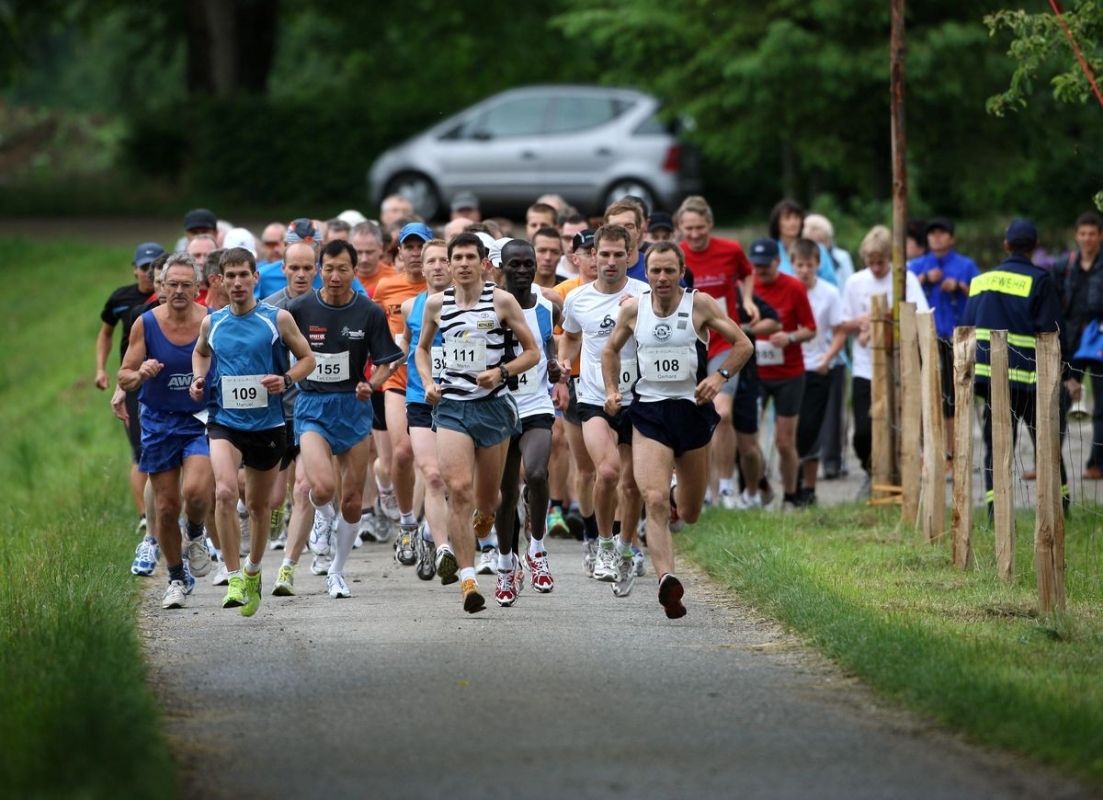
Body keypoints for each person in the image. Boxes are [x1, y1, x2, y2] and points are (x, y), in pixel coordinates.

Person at [603, 241, 753, 617]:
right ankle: (666, 580)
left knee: (689, 512)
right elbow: (609, 351)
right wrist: (611, 390)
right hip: (649, 413)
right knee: (652, 499)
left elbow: (743, 344)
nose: (663, 277)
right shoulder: (634, 310)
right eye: (655, 270)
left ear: (682, 271)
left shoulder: (699, 305)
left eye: (670, 270)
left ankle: (675, 491)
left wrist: (719, 377)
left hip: (692, 412)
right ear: (647, 273)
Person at [415, 232, 540, 613]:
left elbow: (532, 353)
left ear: (484, 262)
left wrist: (501, 371)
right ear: (449, 264)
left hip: (493, 407)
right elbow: (421, 350)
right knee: (458, 489)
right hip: (453, 407)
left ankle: (485, 519)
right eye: (458, 258)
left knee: (488, 500)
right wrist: (429, 384)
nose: (464, 263)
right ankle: (468, 580)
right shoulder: (436, 304)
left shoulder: (500, 301)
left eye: (472, 257)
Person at [189, 247, 316, 617]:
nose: (237, 282)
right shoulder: (213, 323)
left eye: (244, 275)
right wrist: (199, 378)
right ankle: (232, 576)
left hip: (268, 423)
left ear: (255, 277)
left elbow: (308, 360)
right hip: (224, 420)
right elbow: (200, 353)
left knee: (261, 507)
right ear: (221, 281)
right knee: (225, 492)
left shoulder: (278, 319)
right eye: (230, 276)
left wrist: (286, 378)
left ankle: (255, 570)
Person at [288, 239, 404, 599]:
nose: (335, 276)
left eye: (343, 269)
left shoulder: (369, 311)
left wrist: (373, 384)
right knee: (319, 488)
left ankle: (336, 571)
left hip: (353, 409)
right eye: (328, 268)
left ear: (355, 272)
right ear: (320, 269)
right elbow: (279, 354)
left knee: (352, 500)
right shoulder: (299, 308)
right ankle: (322, 521)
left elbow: (388, 361)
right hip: (312, 405)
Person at [118, 253, 213, 609]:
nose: (178, 290)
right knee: (168, 507)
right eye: (172, 284)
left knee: (198, 493)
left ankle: (198, 533)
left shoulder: (211, 321)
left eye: (186, 285)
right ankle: (176, 577)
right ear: (162, 286)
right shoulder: (146, 323)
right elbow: (124, 375)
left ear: (197, 288)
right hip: (158, 420)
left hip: (199, 419)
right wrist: (141, 373)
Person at [963, 219, 1071, 515]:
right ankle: (1060, 507)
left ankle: (993, 510)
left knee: (997, 447)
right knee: (1046, 445)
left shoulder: (981, 280)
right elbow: (1053, 330)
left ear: (1006, 245)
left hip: (989, 379)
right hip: (1030, 379)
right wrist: (1068, 373)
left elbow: (968, 325)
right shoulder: (1040, 280)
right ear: (1035, 247)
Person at [558, 224, 647, 583]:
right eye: (603, 254)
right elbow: (570, 338)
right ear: (593, 256)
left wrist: (641, 312)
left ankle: (627, 546)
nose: (610, 261)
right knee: (606, 471)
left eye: (617, 254)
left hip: (638, 399)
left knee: (632, 483)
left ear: (630, 256)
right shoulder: (578, 298)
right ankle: (603, 546)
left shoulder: (645, 295)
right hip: (594, 397)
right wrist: (564, 366)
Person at [493, 239, 564, 605]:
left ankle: (536, 550)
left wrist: (555, 366)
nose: (522, 270)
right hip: (498, 409)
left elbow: (549, 344)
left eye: (528, 264)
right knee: (503, 496)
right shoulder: (488, 307)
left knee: (536, 473)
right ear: (500, 268)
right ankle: (506, 565)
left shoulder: (547, 307)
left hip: (535, 404)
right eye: (515, 264)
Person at [676, 195, 758, 505]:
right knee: (692, 415)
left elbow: (747, 273)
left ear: (710, 224)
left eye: (700, 228)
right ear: (680, 228)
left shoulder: (731, 250)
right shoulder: (676, 254)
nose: (694, 235)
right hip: (687, 342)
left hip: (723, 340)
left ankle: (725, 486)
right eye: (688, 229)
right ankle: (701, 490)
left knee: (722, 412)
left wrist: (747, 300)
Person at [839, 226, 928, 498]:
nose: (876, 268)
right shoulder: (855, 282)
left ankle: (901, 477)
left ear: (890, 258)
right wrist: (863, 323)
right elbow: (844, 322)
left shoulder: (905, 279)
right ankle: (871, 472)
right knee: (863, 431)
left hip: (900, 366)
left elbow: (921, 314)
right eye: (870, 262)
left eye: (881, 262)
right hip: (866, 367)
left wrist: (884, 321)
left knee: (899, 424)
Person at [400, 238, 459, 583]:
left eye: (443, 260)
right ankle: (442, 549)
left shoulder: (471, 305)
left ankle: (426, 532)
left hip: (460, 401)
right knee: (433, 475)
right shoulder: (411, 308)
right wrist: (424, 380)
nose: (437, 266)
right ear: (421, 268)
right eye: (431, 261)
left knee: (454, 481)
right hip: (420, 398)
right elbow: (410, 350)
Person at [374, 222, 433, 564]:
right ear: (399, 252)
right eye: (408, 247)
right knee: (401, 452)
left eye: (420, 247)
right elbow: (375, 327)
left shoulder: (443, 286)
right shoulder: (386, 287)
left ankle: (425, 523)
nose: (414, 253)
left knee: (430, 464)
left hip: (435, 382)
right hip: (398, 380)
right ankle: (407, 521)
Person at [96, 241, 164, 538]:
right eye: (144, 267)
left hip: (168, 378)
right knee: (141, 452)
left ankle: (171, 513)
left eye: (154, 268)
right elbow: (106, 333)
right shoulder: (124, 301)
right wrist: (102, 369)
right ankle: (144, 517)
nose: (149, 273)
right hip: (135, 379)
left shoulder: (174, 296)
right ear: (135, 268)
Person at [909, 217, 980, 478]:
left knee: (952, 398)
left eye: (942, 234)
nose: (937, 238)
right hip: (923, 339)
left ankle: (953, 455)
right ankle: (926, 454)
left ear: (951, 238)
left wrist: (960, 286)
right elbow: (903, 289)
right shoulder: (916, 265)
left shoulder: (965, 265)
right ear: (927, 239)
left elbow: (980, 294)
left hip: (956, 339)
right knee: (925, 397)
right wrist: (925, 278)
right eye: (932, 234)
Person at [748, 237, 816, 510]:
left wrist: (788, 337)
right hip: (756, 372)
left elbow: (810, 329)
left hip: (789, 374)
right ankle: (758, 486)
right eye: (756, 264)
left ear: (778, 261)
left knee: (784, 441)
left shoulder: (793, 287)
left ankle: (790, 495)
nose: (761, 270)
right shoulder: (746, 286)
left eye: (766, 265)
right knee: (748, 440)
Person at [790, 239, 846, 506]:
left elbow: (839, 331)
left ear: (817, 264)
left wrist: (828, 357)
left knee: (810, 429)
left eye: (809, 265)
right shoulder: (786, 289)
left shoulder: (829, 293)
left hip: (818, 366)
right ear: (792, 264)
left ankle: (809, 486)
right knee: (791, 429)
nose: (804, 270)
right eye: (799, 265)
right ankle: (793, 485)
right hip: (791, 367)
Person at [1052, 210, 1103, 479]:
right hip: (1070, 340)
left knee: (1101, 404)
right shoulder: (1064, 266)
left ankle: (1097, 463)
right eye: (1083, 233)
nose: (1087, 238)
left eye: (1092, 234)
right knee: (1059, 402)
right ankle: (1049, 462)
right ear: (1076, 235)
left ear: (1100, 236)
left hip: (1098, 340)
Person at [768, 199, 837, 285]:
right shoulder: (770, 250)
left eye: (796, 218)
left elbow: (830, 282)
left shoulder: (817, 248)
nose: (792, 223)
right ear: (777, 222)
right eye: (787, 218)